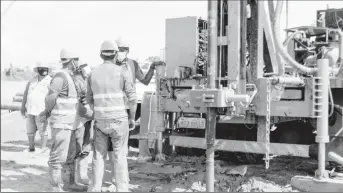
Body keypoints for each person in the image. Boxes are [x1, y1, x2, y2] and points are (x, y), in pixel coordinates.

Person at [86, 40, 136, 192]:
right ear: (115, 54)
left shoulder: (93, 73)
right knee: (119, 156)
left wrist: (99, 113)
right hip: (119, 120)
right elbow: (132, 98)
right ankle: (122, 189)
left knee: (99, 156)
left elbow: (89, 99)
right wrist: (132, 118)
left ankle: (94, 188)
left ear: (101, 54)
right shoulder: (122, 71)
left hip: (100, 121)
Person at [39, 48, 86, 192]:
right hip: (61, 123)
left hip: (71, 123)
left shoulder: (72, 77)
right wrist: (47, 112)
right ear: (72, 61)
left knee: (71, 154)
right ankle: (56, 187)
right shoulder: (60, 77)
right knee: (58, 156)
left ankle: (70, 183)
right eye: (77, 60)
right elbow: (51, 97)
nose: (78, 63)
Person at [21, 62, 52, 153]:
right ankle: (31, 148)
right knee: (30, 129)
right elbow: (26, 93)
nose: (43, 70)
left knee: (43, 129)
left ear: (47, 70)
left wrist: (49, 110)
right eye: (41, 68)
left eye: (45, 68)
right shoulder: (31, 81)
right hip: (30, 109)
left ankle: (43, 148)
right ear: (38, 69)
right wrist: (23, 106)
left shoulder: (50, 81)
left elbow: (52, 96)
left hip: (42, 109)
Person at [72, 61, 93, 188]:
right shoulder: (76, 81)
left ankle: (83, 175)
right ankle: (75, 178)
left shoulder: (88, 81)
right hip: (80, 119)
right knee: (78, 148)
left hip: (87, 119)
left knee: (85, 148)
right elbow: (77, 103)